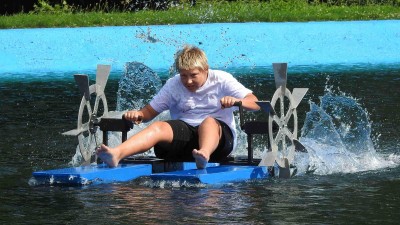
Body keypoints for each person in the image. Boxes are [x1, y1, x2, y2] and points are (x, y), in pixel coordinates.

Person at [97, 45, 260, 169]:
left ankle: (204, 154)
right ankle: (116, 154)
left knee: (209, 121)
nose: (188, 81)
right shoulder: (173, 84)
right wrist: (137, 114)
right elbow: (147, 113)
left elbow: (255, 103)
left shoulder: (223, 79)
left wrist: (237, 102)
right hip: (185, 141)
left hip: (219, 143)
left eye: (193, 75)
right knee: (159, 126)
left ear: (205, 70)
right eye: (183, 75)